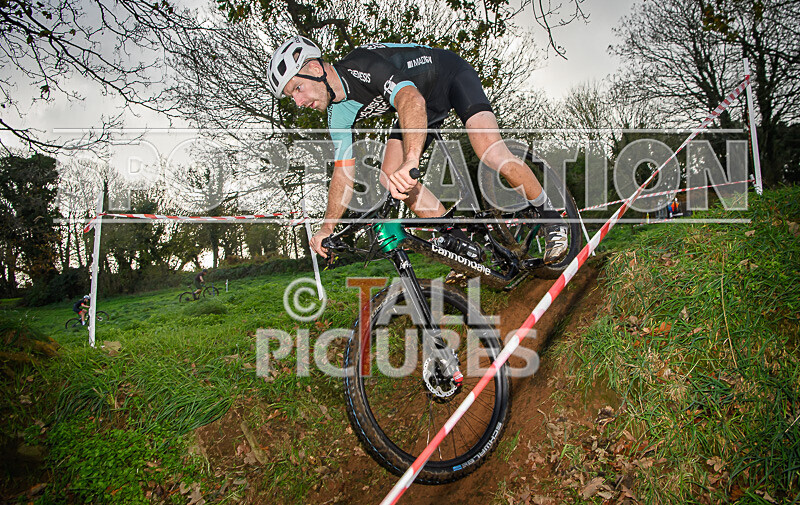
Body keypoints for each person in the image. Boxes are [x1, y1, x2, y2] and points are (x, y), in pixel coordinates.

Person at [267, 37, 568, 264]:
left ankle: (551, 218)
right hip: (419, 106)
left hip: (449, 77)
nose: (298, 101)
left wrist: (411, 160)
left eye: (297, 89)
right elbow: (343, 172)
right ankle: (460, 243)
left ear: (315, 68)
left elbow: (410, 99)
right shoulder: (338, 115)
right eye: (292, 97)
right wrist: (326, 227)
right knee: (389, 178)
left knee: (491, 153)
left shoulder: (361, 64)